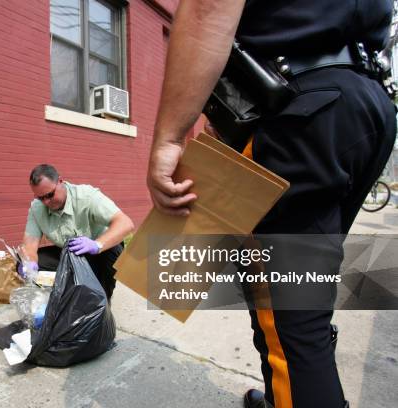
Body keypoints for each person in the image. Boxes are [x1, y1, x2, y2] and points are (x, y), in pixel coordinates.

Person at [148, 1, 396, 407]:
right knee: (299, 301)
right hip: (365, 107)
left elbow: (209, 8)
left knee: (294, 324)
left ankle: (299, 391)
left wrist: (170, 138)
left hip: (298, 112)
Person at [21, 164, 134, 299]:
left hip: (99, 252)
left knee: (114, 251)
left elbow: (125, 223)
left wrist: (97, 245)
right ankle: (62, 296)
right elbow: (30, 245)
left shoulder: (86, 196)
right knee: (26, 262)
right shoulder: (37, 208)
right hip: (70, 253)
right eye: (41, 198)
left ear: (60, 182)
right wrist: (29, 262)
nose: (46, 202)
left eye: (50, 195)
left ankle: (103, 299)